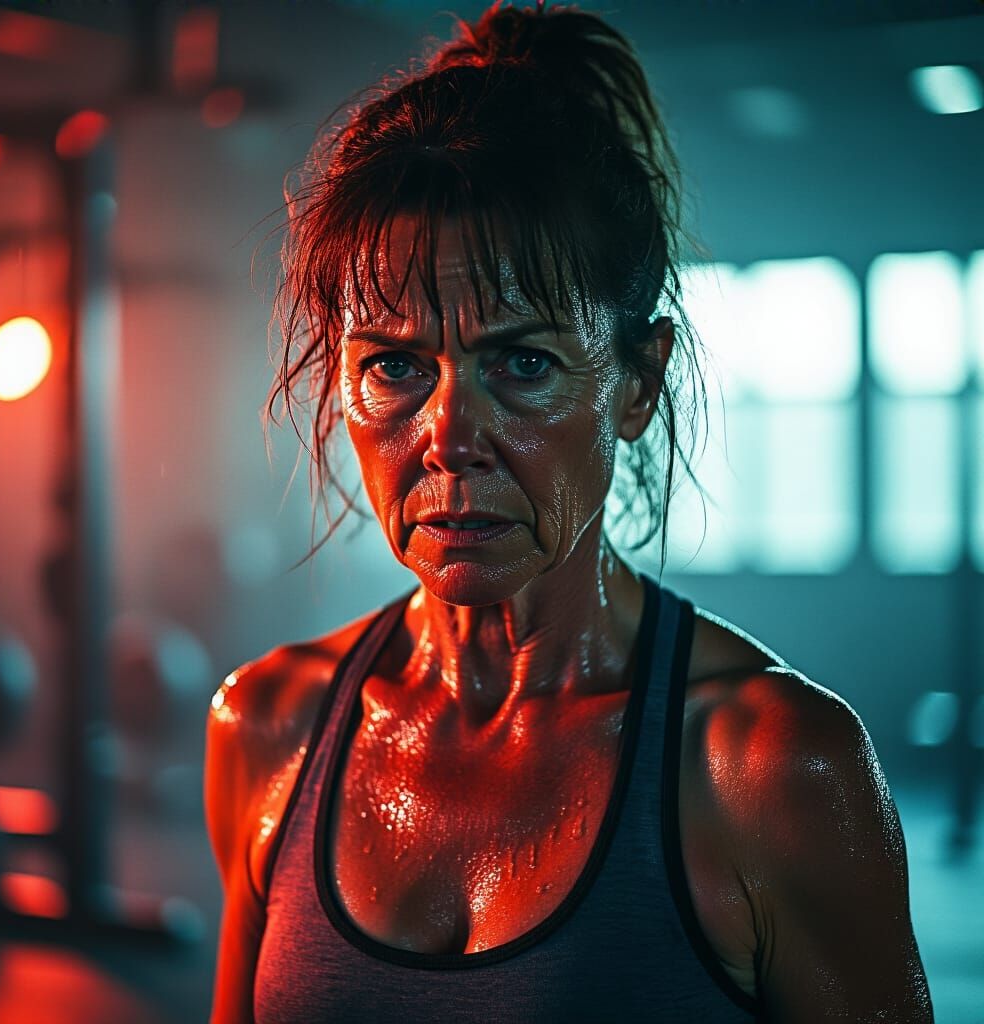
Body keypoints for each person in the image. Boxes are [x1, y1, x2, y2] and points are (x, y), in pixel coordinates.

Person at [204, 3, 933, 1021]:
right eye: (396, 367)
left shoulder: (767, 768)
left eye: (522, 361)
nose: (450, 436)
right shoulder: (269, 725)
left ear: (639, 383)